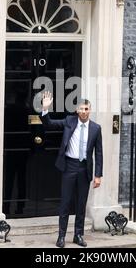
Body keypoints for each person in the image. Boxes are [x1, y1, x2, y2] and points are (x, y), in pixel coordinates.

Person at [39, 91, 103, 248]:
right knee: (65, 203)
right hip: (69, 166)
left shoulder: (96, 128)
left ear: (90, 110)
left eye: (86, 109)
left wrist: (98, 175)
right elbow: (49, 124)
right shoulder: (69, 121)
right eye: (81, 109)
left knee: (81, 204)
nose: (83, 112)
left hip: (84, 169)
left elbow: (99, 152)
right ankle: (61, 236)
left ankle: (78, 235)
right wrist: (45, 109)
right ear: (76, 110)